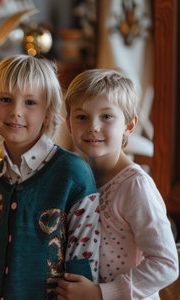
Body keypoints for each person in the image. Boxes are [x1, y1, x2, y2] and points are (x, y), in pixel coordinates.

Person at [0, 54, 101, 300]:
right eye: (5, 99)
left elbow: (83, 261)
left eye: (30, 102)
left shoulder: (72, 173)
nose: (16, 112)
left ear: (48, 112)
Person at [57, 69, 179, 300]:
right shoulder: (76, 180)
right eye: (82, 116)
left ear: (129, 125)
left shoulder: (135, 186)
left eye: (106, 117)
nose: (93, 126)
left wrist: (101, 293)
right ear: (69, 125)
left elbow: (166, 264)